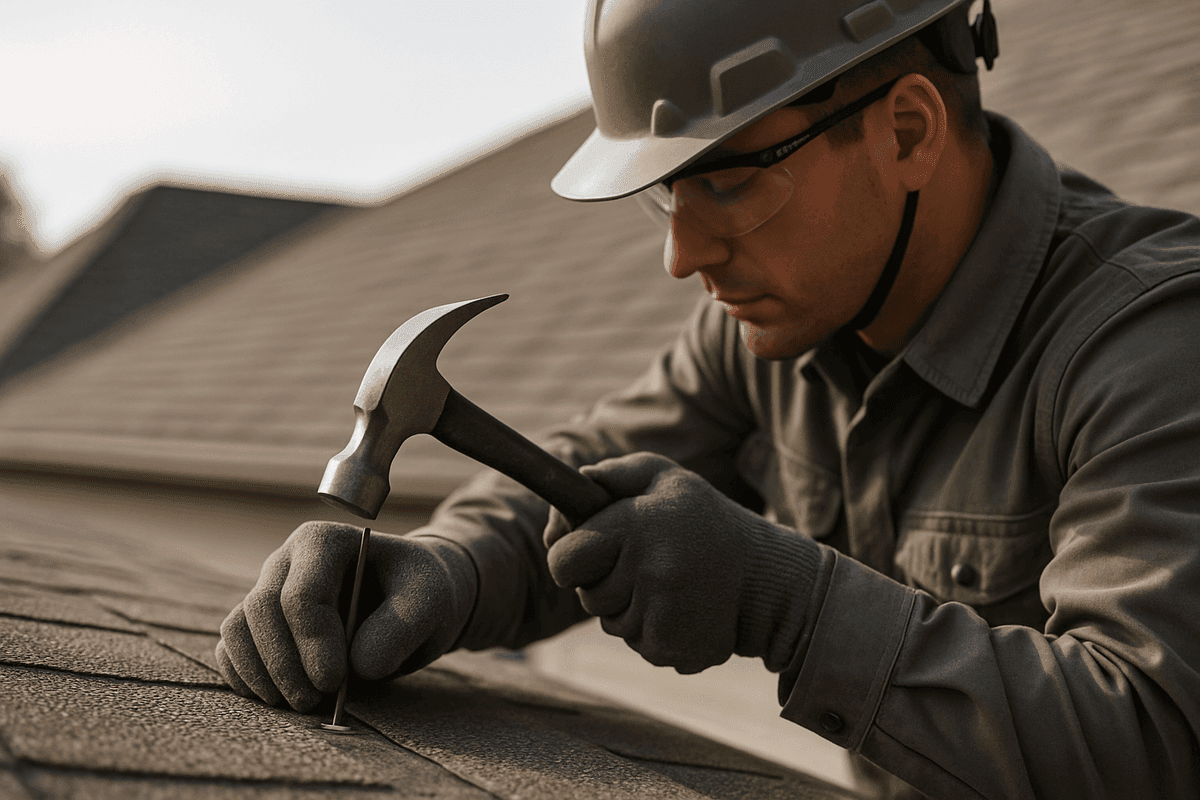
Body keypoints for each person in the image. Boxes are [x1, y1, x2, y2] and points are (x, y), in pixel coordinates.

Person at [216, 1, 1200, 797]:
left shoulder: (1151, 343)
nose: (683, 255)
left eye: (726, 183)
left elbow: (1150, 738)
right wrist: (443, 568)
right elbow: (589, 482)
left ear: (906, 131)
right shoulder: (779, 330)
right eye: (666, 194)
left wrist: (788, 602)